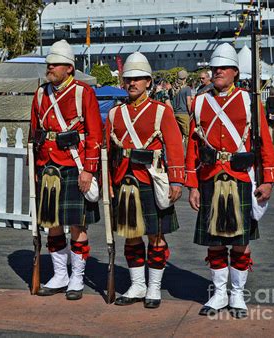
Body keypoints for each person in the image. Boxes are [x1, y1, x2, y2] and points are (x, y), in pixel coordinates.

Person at [185, 43, 274, 318]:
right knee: (214, 242)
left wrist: (268, 180)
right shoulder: (200, 101)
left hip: (241, 177)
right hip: (210, 178)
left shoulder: (250, 100)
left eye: (223, 68)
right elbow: (192, 145)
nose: (218, 72)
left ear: (235, 72)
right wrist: (192, 185)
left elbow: (263, 144)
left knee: (241, 242)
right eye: (214, 68)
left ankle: (237, 295)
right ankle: (219, 293)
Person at [105, 52, 184, 308]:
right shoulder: (116, 114)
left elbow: (174, 146)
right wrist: (107, 182)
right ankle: (137, 285)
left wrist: (176, 181)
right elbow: (108, 151)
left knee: (156, 236)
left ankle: (154, 287)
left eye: (138, 79)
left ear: (149, 82)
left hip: (151, 180)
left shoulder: (161, 111)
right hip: (125, 180)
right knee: (131, 235)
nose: (132, 83)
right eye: (128, 79)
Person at [30, 40, 103, 301]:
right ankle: (60, 275)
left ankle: (77, 277)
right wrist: (37, 167)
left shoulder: (83, 93)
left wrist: (89, 170)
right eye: (49, 63)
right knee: (52, 224)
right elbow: (34, 132)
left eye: (55, 63)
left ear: (69, 68)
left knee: (77, 225)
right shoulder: (40, 94)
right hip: (48, 166)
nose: (50, 67)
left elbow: (95, 133)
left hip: (75, 165)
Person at [171, 70, 192, 143]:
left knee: (178, 136)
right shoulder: (187, 88)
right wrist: (191, 113)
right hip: (184, 114)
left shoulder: (173, 89)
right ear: (185, 78)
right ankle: (186, 153)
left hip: (175, 114)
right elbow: (188, 103)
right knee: (187, 136)